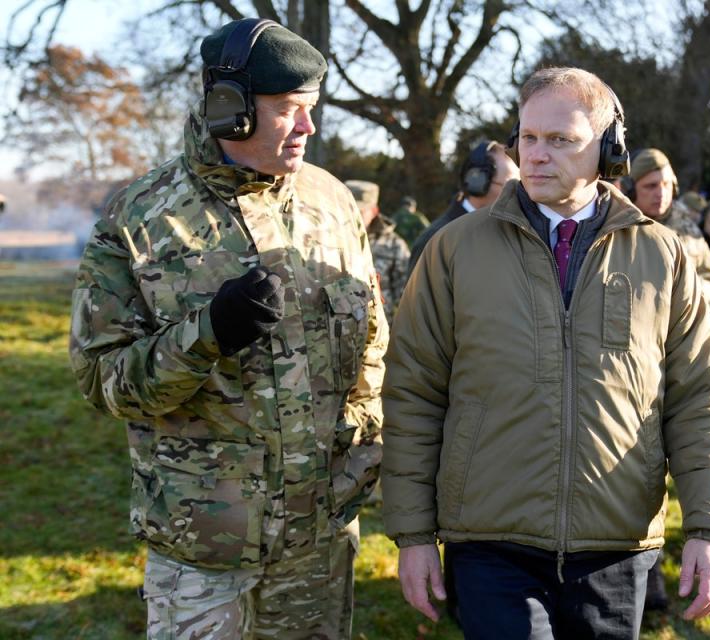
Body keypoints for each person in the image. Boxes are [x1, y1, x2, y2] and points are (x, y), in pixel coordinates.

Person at [382, 66, 710, 638]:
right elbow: (412, 393)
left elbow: (700, 397)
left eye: (561, 140)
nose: (537, 156)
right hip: (489, 540)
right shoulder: (453, 251)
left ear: (609, 148)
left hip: (617, 545)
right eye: (527, 138)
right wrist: (414, 534)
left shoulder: (663, 254)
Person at [68, 18, 387, 639]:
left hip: (320, 543)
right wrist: (205, 334)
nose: (309, 127)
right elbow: (102, 380)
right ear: (229, 108)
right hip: (205, 555)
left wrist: (359, 457)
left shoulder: (334, 203)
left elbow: (373, 341)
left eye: (312, 108)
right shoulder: (139, 218)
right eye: (290, 109)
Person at [631, 148, 710, 311]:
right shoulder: (616, 228)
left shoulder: (688, 229)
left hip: (682, 329)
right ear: (631, 190)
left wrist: (689, 297)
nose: (660, 193)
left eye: (666, 184)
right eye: (651, 186)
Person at [407, 140, 519, 273]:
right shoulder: (435, 241)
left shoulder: (506, 234)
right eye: (509, 186)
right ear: (477, 182)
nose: (516, 194)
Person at [347, 179, 410, 321]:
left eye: (360, 211)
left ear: (374, 211)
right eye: (348, 209)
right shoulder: (328, 240)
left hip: (379, 331)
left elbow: (407, 296)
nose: (352, 216)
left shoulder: (394, 245)